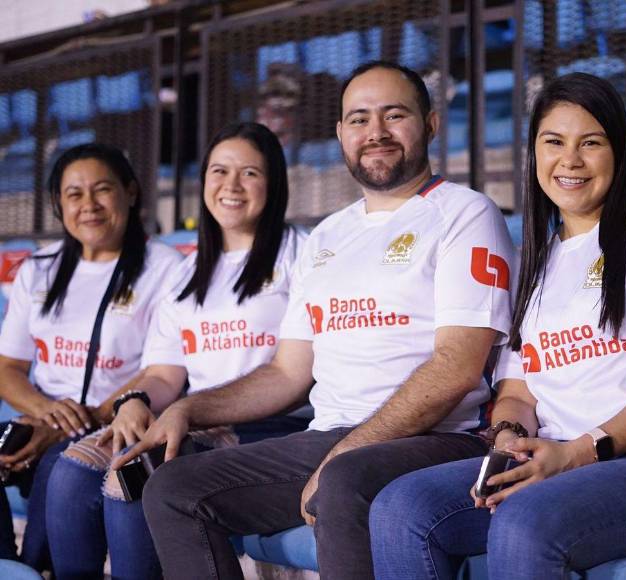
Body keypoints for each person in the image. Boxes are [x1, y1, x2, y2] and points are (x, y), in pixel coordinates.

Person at [113, 61, 515, 580]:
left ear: (431, 124)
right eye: (359, 119)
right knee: (174, 489)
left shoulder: (466, 213)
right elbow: (287, 373)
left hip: (436, 437)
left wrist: (349, 448)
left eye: (394, 115)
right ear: (341, 133)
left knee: (345, 479)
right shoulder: (327, 235)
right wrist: (189, 408)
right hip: (331, 438)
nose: (376, 132)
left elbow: (456, 368)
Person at [369, 72, 626, 579]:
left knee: (523, 522)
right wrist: (510, 438)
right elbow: (517, 391)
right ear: (534, 153)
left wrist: (578, 453)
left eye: (591, 143)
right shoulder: (534, 262)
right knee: (401, 509)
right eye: (554, 142)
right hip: (557, 461)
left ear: (618, 151)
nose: (571, 160)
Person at [44, 123, 309, 580]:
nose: (231, 185)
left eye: (249, 173)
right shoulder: (186, 273)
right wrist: (135, 401)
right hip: (200, 423)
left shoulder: (301, 254)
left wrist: (186, 411)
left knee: (135, 476)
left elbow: (295, 375)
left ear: (275, 182)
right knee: (73, 470)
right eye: (219, 171)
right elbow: (165, 375)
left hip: (275, 426)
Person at [0, 143, 182, 570]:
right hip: (45, 416)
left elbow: (159, 371)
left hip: (112, 422)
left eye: (102, 189)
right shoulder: (38, 269)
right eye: (74, 194)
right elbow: (8, 368)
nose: (89, 205)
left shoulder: (166, 268)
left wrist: (76, 423)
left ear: (130, 192)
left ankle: (37, 570)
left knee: (59, 466)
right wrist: (46, 414)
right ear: (58, 204)